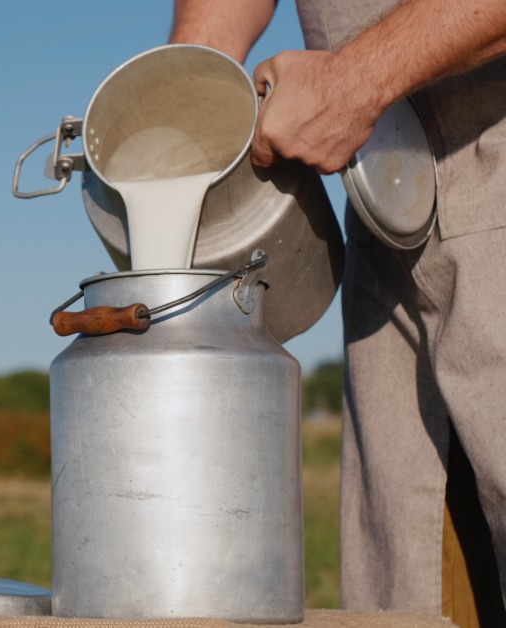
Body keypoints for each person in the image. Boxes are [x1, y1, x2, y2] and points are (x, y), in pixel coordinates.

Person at [168, 1, 506, 625]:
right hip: (381, 195)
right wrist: (192, 82)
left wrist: (356, 77)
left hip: (488, 149)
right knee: (403, 587)